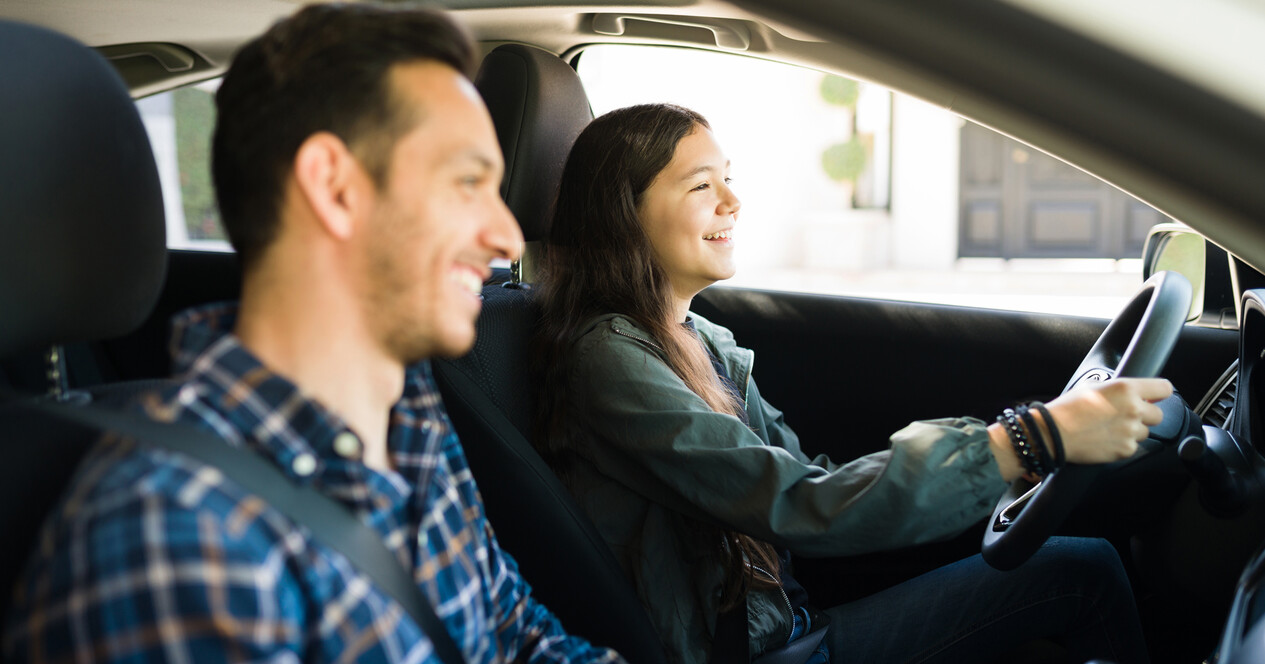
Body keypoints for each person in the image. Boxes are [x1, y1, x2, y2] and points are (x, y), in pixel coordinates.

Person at [3, 5, 622, 663]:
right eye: (467, 181)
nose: (503, 235)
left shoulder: (410, 425)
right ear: (333, 187)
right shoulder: (180, 535)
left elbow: (518, 638)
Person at [533, 103, 1171, 664]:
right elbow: (803, 502)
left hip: (784, 623)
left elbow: (810, 473)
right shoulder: (610, 360)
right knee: (1080, 572)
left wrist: (1005, 467)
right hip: (757, 650)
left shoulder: (699, 338)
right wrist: (1024, 441)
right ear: (625, 213)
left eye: (729, 178)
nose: (732, 201)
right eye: (702, 186)